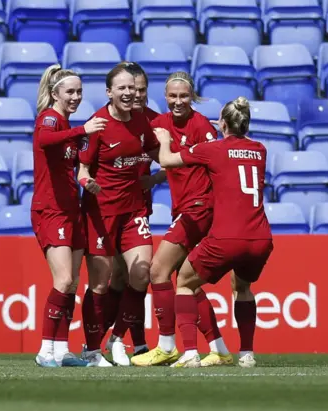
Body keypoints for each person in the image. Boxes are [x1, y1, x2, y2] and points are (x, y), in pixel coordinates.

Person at [154, 96, 274, 368]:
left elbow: (167, 160)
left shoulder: (213, 149)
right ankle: (246, 354)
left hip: (226, 235)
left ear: (222, 123)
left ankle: (189, 353)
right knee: (243, 287)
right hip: (260, 237)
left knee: (184, 282)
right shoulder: (260, 149)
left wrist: (163, 139)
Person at [132, 72, 232, 367]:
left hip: (199, 209)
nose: (178, 102)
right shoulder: (159, 124)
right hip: (185, 208)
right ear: (165, 97)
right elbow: (177, 162)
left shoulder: (201, 125)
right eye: (173, 97)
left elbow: (215, 164)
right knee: (187, 282)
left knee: (158, 271)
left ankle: (167, 345)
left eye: (184, 96)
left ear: (193, 97)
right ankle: (220, 348)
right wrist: (156, 179)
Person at [78, 62, 160, 367]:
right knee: (100, 282)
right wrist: (89, 183)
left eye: (132, 88)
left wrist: (171, 169)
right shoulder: (97, 124)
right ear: (109, 92)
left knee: (141, 273)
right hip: (101, 211)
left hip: (134, 209)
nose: (128, 93)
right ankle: (90, 349)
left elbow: (156, 153)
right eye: (121, 88)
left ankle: (116, 340)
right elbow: (82, 170)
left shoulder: (141, 121)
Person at [31, 64, 107, 367]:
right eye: (70, 92)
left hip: (70, 209)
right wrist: (82, 131)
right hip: (51, 211)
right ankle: (44, 350)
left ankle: (61, 350)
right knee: (62, 280)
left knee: (73, 283)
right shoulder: (50, 118)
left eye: (79, 92)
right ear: (55, 93)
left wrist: (86, 181)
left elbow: (70, 168)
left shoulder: (66, 124)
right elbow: (44, 141)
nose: (76, 97)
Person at [104, 62, 164, 357]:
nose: (136, 94)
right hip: (111, 206)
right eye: (130, 89)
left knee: (137, 273)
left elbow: (172, 160)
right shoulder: (109, 119)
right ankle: (112, 341)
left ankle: (127, 341)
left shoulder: (154, 121)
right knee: (120, 275)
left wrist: (153, 178)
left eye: (141, 90)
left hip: (140, 205)